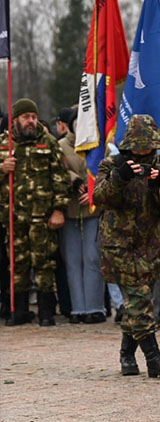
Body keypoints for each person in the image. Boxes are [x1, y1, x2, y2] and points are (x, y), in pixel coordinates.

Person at [93, 115, 160, 379]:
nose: (144, 152)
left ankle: (126, 354)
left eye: (149, 146)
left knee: (139, 301)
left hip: (149, 244)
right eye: (139, 147)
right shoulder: (112, 164)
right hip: (119, 245)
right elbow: (99, 197)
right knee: (139, 299)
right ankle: (154, 359)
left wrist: (158, 185)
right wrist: (119, 178)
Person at [0, 98, 70, 326]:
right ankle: (19, 310)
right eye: (25, 117)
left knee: (44, 264)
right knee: (17, 264)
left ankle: (46, 312)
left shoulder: (48, 142)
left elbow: (60, 179)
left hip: (43, 216)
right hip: (13, 216)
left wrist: (59, 210)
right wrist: (2, 168)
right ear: (16, 120)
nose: (30, 121)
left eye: (32, 116)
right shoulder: (4, 144)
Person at [56, 106, 106, 324]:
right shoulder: (60, 146)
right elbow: (56, 169)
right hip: (70, 209)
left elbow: (105, 170)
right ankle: (78, 308)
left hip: (94, 210)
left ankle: (95, 307)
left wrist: (95, 191)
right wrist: (74, 180)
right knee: (73, 260)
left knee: (93, 258)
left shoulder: (98, 146)